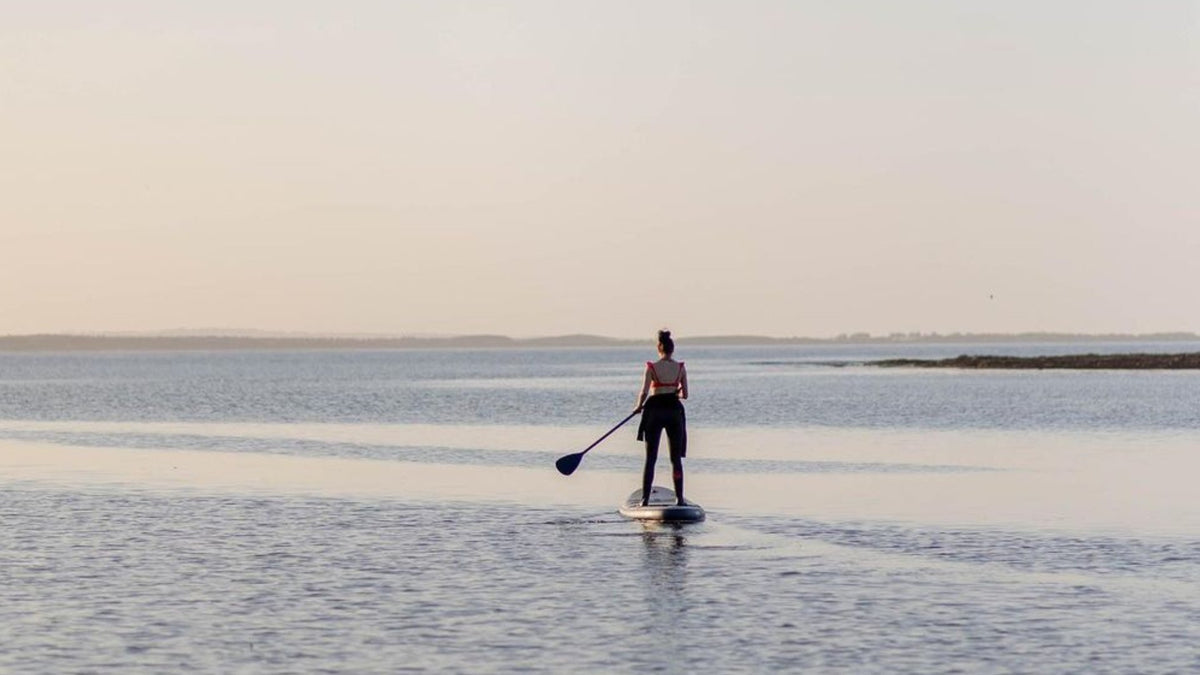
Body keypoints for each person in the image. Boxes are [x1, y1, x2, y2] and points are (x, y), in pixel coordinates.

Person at [634, 329, 689, 506]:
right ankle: (679, 499)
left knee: (651, 458)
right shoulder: (680, 367)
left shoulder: (651, 367)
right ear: (672, 349)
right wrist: (676, 392)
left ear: (659, 348)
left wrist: (638, 406)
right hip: (674, 411)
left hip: (654, 411)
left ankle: (645, 500)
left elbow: (644, 392)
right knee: (675, 459)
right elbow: (685, 395)